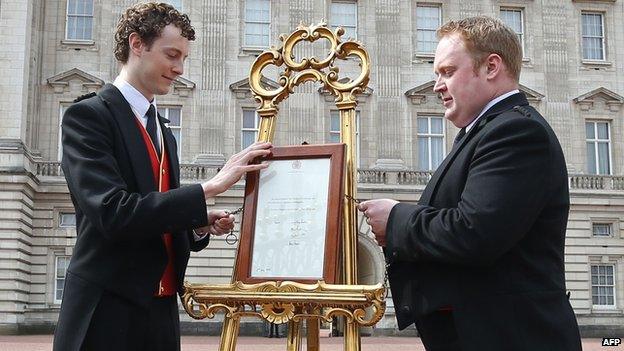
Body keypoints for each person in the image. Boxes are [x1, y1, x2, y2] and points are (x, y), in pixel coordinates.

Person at [52, 3, 271, 351]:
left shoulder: (163, 129)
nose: (179, 68)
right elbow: (113, 212)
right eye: (171, 55)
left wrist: (196, 224)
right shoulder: (87, 116)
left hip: (160, 313)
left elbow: (152, 214)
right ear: (137, 44)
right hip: (106, 313)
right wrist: (210, 187)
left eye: (183, 58)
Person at [358, 16, 581, 351]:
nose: (437, 85)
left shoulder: (516, 132)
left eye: (448, 71)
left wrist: (396, 219)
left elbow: (474, 231)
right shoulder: (483, 133)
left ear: (491, 67)